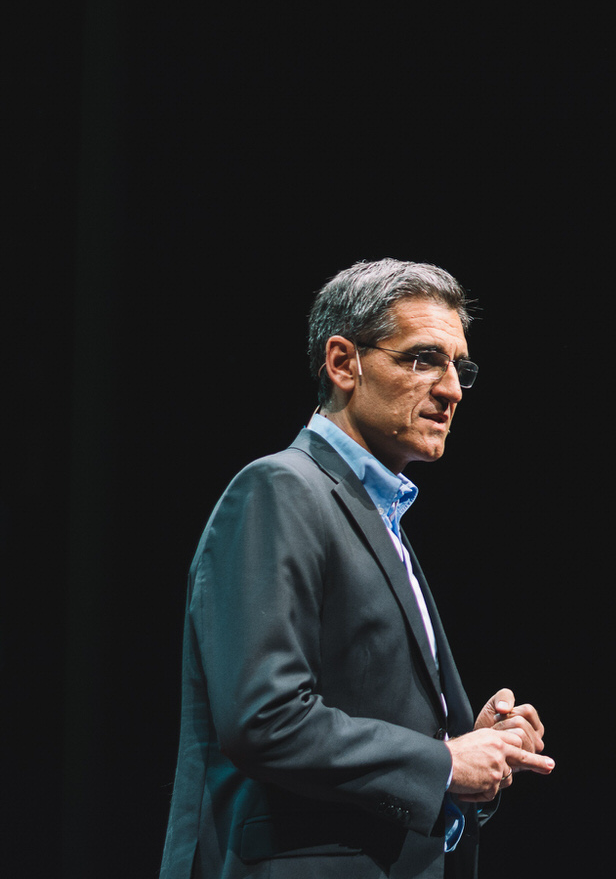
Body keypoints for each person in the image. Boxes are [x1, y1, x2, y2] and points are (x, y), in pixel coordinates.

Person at [159, 259, 552, 879]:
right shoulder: (280, 490)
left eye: (460, 368)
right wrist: (443, 763)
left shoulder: (378, 515)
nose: (451, 390)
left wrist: (472, 746)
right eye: (424, 359)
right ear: (344, 363)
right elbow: (265, 719)